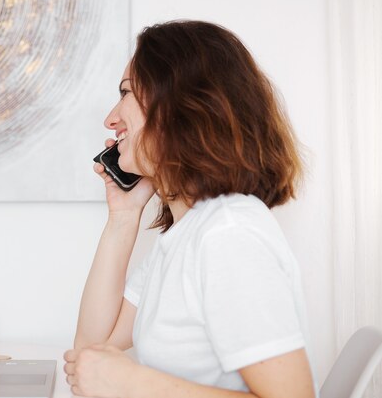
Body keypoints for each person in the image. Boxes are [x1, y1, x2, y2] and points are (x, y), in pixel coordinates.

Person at [63, 20, 317, 398]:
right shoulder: (186, 235)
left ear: (178, 107)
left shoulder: (228, 235)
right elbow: (90, 353)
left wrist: (134, 383)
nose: (111, 119)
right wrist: (124, 216)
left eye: (127, 94)